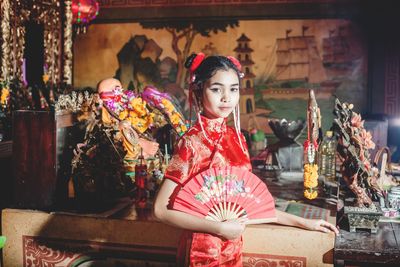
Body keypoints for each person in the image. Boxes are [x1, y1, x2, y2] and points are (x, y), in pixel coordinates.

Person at [154, 53, 338, 266]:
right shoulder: (192, 142)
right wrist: (219, 228)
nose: (226, 97)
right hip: (202, 253)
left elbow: (253, 207)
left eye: (233, 89)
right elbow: (160, 210)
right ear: (198, 91)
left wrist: (304, 223)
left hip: (233, 250)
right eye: (216, 89)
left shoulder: (237, 139)